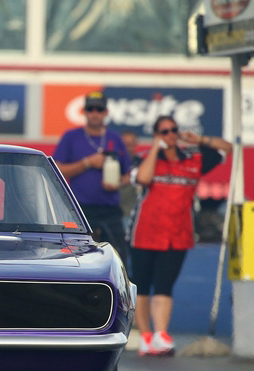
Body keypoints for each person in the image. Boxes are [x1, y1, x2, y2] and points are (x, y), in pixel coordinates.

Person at [129, 115, 232, 356]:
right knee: (142, 285)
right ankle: (145, 336)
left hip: (177, 234)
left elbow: (228, 148)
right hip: (144, 232)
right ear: (156, 135)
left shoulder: (193, 158)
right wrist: (156, 149)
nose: (170, 135)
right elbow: (143, 178)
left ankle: (161, 334)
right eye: (164, 132)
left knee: (164, 285)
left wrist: (200, 139)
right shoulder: (145, 158)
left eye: (173, 130)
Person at [54, 91, 132, 268]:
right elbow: (58, 170)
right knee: (77, 259)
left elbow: (128, 173)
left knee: (118, 259)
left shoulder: (115, 138)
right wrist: (87, 163)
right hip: (80, 210)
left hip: (110, 210)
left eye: (99, 109)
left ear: (106, 112)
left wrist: (118, 183)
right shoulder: (71, 137)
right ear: (84, 112)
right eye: (90, 109)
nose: (95, 113)